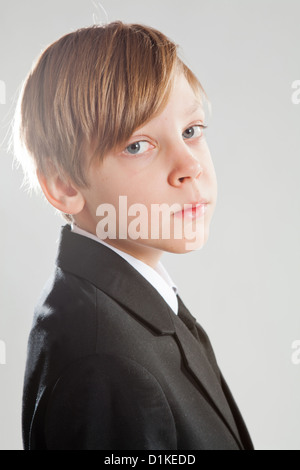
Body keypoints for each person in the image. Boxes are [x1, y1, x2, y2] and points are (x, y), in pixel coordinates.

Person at [14, 21, 254, 450]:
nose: (189, 166)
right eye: (137, 145)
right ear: (66, 185)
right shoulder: (104, 362)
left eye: (190, 131)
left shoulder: (137, 306)